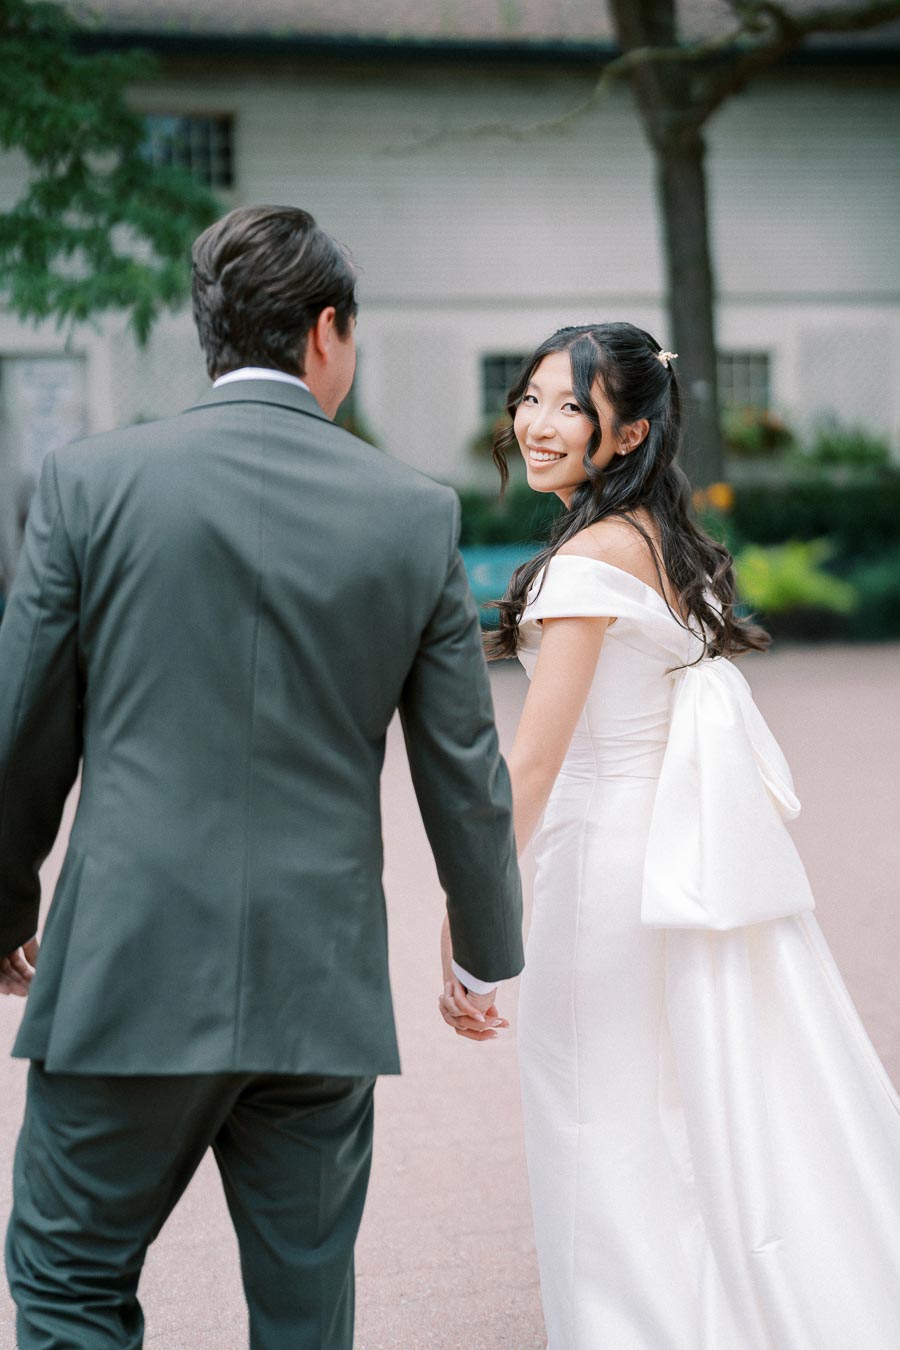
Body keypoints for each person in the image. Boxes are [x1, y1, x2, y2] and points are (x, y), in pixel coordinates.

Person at [0, 204, 523, 1350]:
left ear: (212, 336)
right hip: (316, 990)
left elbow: (19, 730)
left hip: (122, 981)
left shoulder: (87, 485)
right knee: (303, 1317)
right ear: (328, 331)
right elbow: (464, 766)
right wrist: (486, 941)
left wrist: (5, 910)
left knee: (71, 1281)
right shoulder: (412, 513)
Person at [438, 323, 900, 1348]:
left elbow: (536, 765)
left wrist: (472, 923)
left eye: (570, 406)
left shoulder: (588, 559)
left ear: (630, 428)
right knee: (661, 1106)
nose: (538, 423)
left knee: (592, 1112)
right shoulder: (658, 537)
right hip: (670, 854)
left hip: (603, 864)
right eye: (531, 398)